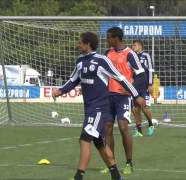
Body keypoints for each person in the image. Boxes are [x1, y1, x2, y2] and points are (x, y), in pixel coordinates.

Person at [52, 32, 146, 180]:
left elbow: (121, 78)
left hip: (100, 109)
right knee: (99, 143)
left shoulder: (102, 60)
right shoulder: (80, 61)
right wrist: (60, 91)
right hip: (89, 109)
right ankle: (116, 175)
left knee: (84, 139)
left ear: (87, 44)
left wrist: (136, 95)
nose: (78, 45)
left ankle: (78, 176)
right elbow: (73, 80)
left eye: (80, 42)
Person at [101, 27, 146, 175]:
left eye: (109, 37)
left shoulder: (130, 54)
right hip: (108, 96)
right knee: (107, 128)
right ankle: (110, 164)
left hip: (123, 97)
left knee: (123, 127)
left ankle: (129, 163)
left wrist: (132, 90)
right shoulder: (107, 53)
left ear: (116, 38)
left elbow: (141, 75)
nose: (107, 40)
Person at [132, 39, 155, 137]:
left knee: (144, 107)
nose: (133, 47)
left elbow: (150, 69)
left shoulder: (146, 56)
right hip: (134, 86)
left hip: (144, 86)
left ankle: (151, 125)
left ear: (140, 46)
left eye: (135, 45)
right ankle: (139, 130)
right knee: (135, 109)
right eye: (133, 46)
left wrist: (150, 84)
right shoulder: (132, 57)